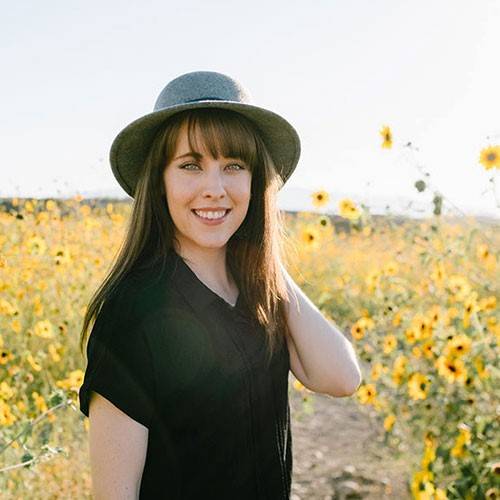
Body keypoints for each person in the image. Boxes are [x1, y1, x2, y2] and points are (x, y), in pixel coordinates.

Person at [78, 70, 362, 500]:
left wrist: (265, 261)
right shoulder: (133, 312)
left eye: (233, 166)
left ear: (255, 183)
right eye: (191, 165)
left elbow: (341, 377)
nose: (215, 189)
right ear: (159, 181)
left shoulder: (259, 293)